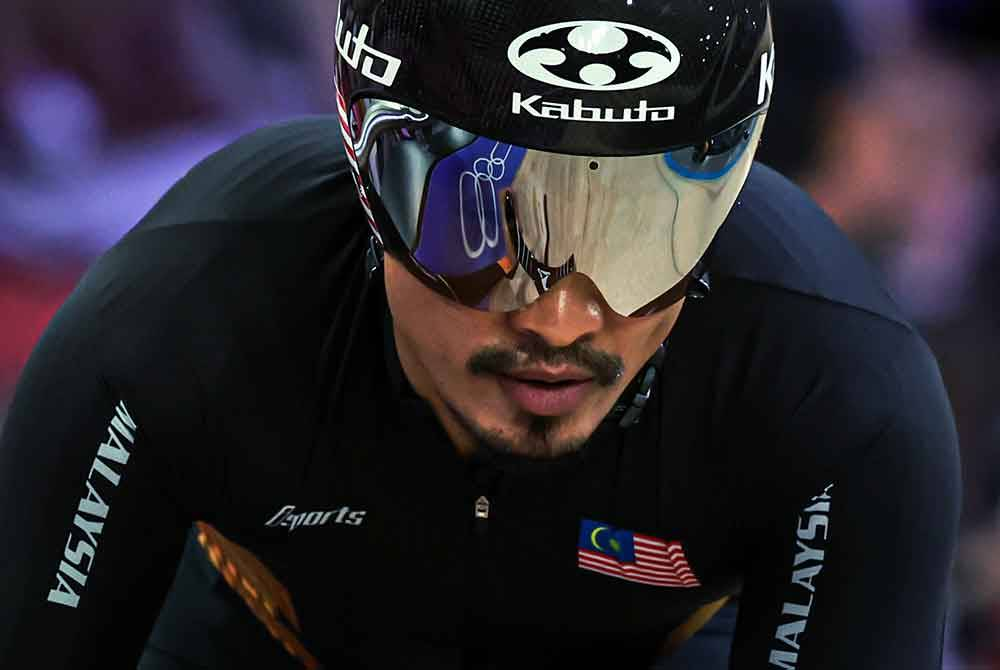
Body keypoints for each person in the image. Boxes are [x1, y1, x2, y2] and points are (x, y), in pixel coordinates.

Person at [0, 1, 961, 668]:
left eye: (638, 232)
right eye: (478, 223)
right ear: (364, 169)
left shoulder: (836, 387)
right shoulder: (187, 307)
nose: (559, 319)